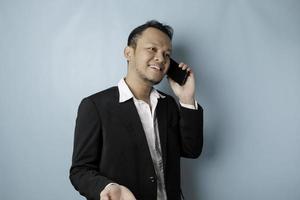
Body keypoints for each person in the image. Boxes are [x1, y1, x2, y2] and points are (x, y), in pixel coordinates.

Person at [70, 20, 203, 200]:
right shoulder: (95, 106)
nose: (161, 58)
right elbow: (80, 170)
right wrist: (107, 187)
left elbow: (192, 150)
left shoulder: (169, 105)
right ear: (128, 53)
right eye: (152, 49)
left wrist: (187, 98)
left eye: (167, 54)